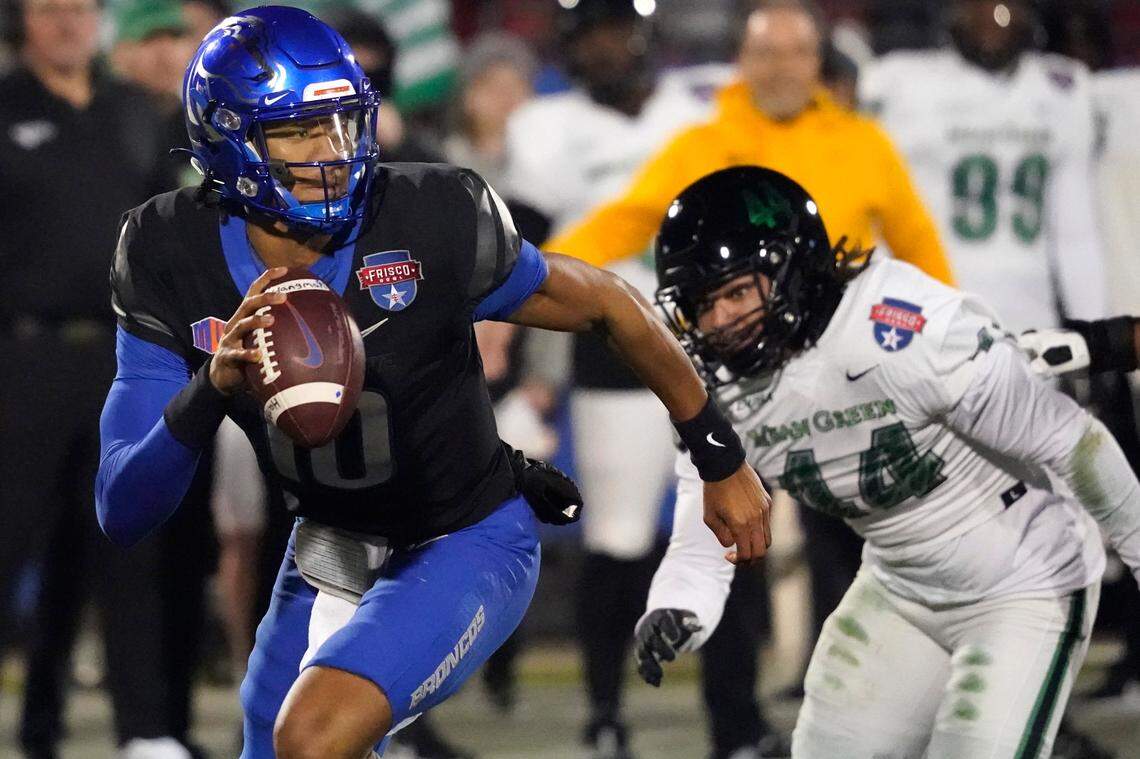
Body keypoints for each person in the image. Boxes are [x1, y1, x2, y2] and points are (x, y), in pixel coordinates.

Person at [93, 8, 772, 759]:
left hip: (465, 535)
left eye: (344, 123)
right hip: (328, 547)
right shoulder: (167, 249)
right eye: (300, 131)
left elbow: (610, 305)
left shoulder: (428, 214)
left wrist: (721, 455)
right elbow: (124, 505)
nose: (335, 152)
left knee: (313, 736)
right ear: (228, 141)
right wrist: (212, 388)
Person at [632, 166, 1140, 758]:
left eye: (737, 292)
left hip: (1023, 581)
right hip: (900, 585)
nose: (719, 323)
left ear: (794, 272)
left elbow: (1075, 443)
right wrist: (680, 599)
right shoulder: (716, 392)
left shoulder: (897, 331)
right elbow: (713, 515)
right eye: (701, 304)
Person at [503, 3, 759, 756]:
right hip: (609, 353)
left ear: (645, 36)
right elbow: (521, 247)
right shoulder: (546, 128)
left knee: (732, 531)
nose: (609, 46)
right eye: (593, 34)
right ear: (571, 47)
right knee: (616, 542)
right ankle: (606, 708)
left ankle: (735, 722)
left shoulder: (698, 115)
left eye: (618, 29)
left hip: (706, 343)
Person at [0, 1, 208, 757]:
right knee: (9, 540)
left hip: (126, 356)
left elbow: (170, 228)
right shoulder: (7, 104)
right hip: (23, 357)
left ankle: (145, 731)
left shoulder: (132, 112)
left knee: (131, 543)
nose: (66, 23)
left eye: (79, 8)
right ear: (20, 24)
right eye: (48, 10)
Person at [859, 0, 1107, 334]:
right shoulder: (900, 83)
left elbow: (1075, 232)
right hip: (929, 308)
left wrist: (1094, 330)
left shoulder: (1062, 87)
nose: (991, 18)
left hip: (1030, 315)